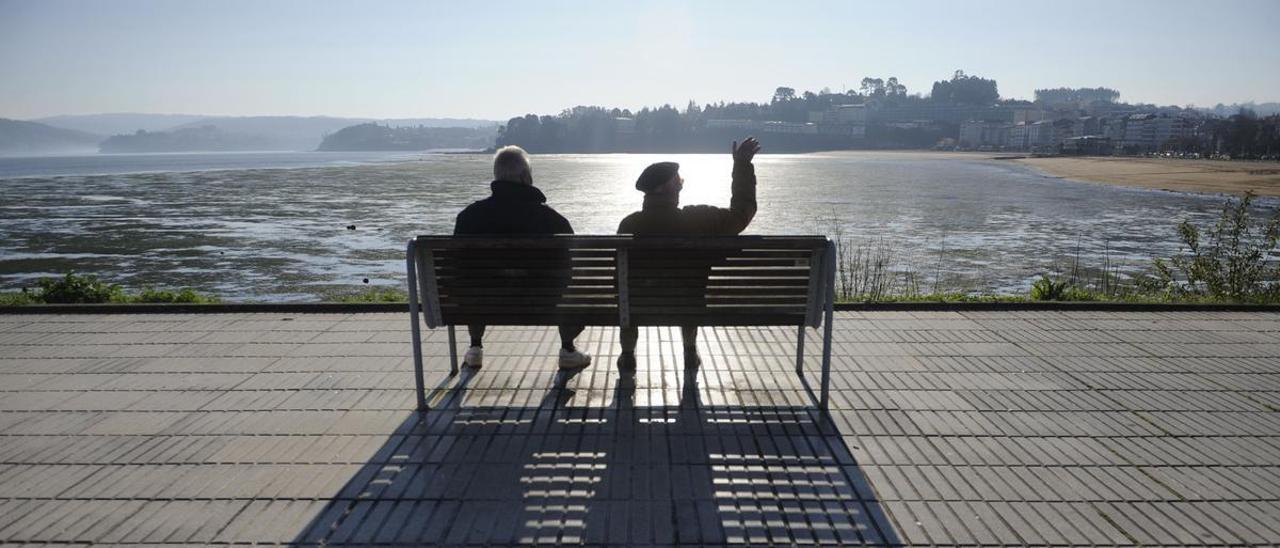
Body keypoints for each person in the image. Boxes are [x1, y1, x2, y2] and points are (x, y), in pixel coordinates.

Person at [616, 136, 761, 367]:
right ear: (667, 188)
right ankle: (690, 350)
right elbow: (742, 213)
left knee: (629, 298)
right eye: (679, 180)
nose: (682, 183)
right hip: (689, 305)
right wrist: (742, 165)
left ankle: (627, 355)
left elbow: (620, 279)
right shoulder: (699, 219)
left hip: (639, 307)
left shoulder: (629, 225)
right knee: (689, 292)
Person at [453, 145, 591, 369]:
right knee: (572, 284)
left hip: (486, 301)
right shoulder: (553, 221)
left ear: (497, 177)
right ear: (526, 177)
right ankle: (568, 349)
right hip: (544, 302)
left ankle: (475, 347)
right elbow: (573, 269)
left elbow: (458, 270)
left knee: (473, 280)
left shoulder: (469, 217)